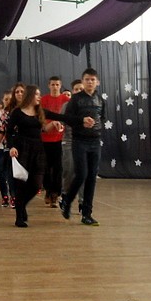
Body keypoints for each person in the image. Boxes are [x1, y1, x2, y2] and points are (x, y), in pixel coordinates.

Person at [59, 68, 103, 226]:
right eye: (87, 79)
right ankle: (67, 201)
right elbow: (68, 119)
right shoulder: (76, 99)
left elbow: (102, 118)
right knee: (81, 174)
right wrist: (82, 122)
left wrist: (96, 126)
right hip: (79, 141)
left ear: (97, 82)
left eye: (92, 79)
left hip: (95, 142)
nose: (90, 82)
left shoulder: (100, 100)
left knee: (92, 177)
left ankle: (87, 214)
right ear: (83, 81)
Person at [7, 85, 55, 227]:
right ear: (30, 95)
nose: (40, 97)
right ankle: (19, 217)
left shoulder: (40, 111)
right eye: (37, 94)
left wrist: (80, 120)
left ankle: (21, 206)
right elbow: (9, 132)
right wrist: (12, 147)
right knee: (21, 184)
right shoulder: (17, 112)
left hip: (38, 149)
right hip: (22, 149)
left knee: (36, 185)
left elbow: (60, 117)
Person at [0, 82, 25, 209]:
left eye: (22, 92)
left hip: (27, 145)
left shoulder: (31, 108)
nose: (19, 94)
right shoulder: (7, 112)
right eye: (17, 92)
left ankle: (20, 195)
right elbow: (1, 130)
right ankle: (13, 196)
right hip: (10, 146)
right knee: (9, 172)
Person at [41, 76, 69, 208]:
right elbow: (40, 117)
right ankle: (48, 190)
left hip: (60, 139)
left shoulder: (66, 100)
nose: (55, 87)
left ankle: (55, 194)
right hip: (45, 139)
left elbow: (69, 118)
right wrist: (49, 125)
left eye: (57, 84)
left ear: (60, 85)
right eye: (52, 84)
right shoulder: (43, 100)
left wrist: (62, 125)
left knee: (58, 168)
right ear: (49, 85)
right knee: (45, 167)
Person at [61, 79, 84, 212]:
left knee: (83, 173)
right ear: (72, 91)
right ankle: (65, 195)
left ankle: (82, 202)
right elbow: (61, 122)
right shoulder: (66, 106)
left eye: (81, 89)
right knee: (69, 171)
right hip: (68, 142)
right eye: (76, 89)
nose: (79, 91)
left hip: (84, 142)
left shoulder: (89, 105)